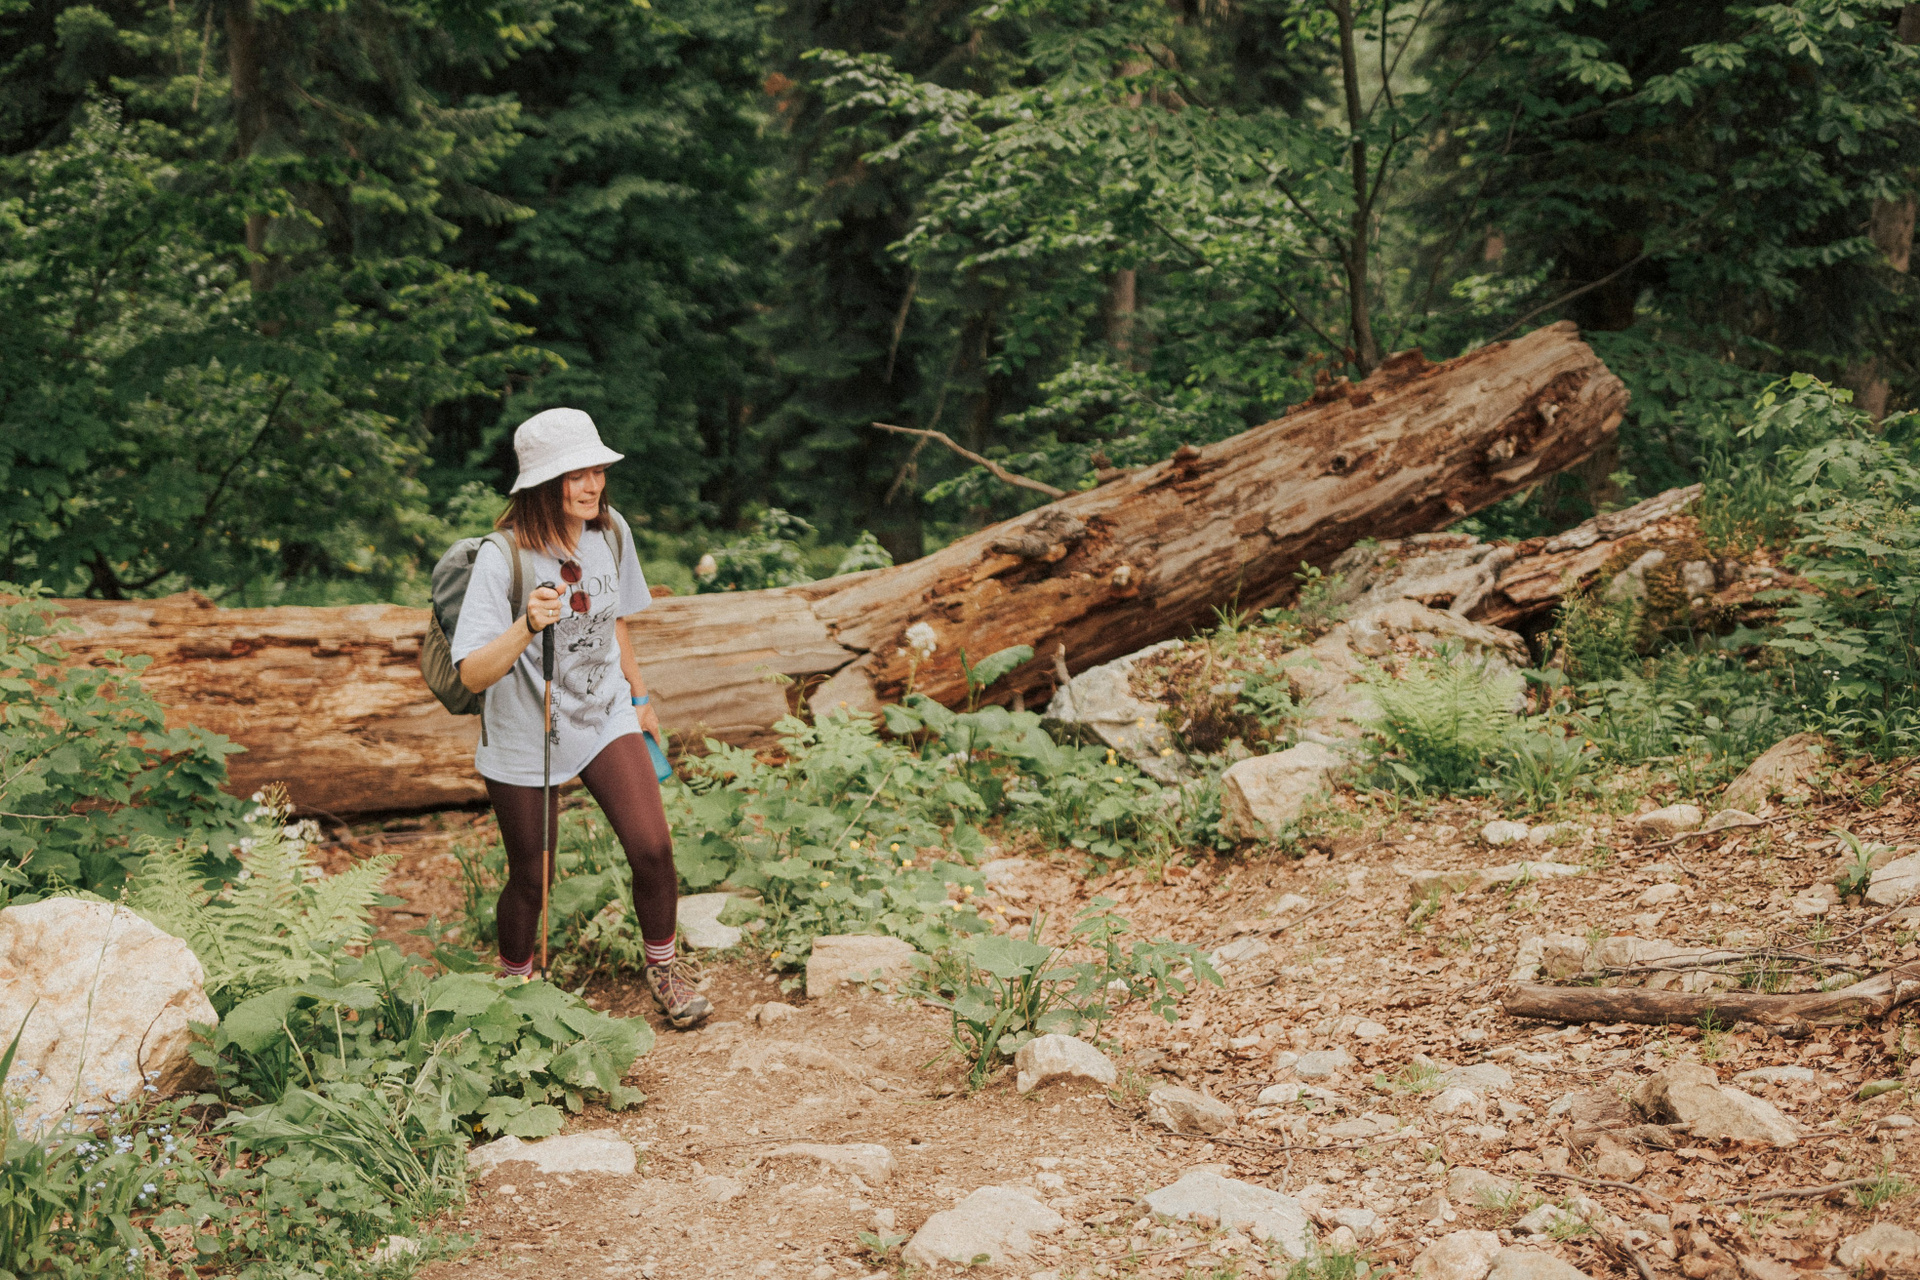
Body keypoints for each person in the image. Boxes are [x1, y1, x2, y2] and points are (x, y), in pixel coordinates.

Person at [450, 407, 711, 1028]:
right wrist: (526, 624)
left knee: (653, 847)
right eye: (576, 475)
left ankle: (664, 969)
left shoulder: (611, 532)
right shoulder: (503, 557)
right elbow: (472, 674)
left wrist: (640, 699)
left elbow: (614, 621)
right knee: (532, 878)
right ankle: (513, 987)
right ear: (544, 484)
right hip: (525, 730)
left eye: (597, 470)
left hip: (604, 713)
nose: (593, 485)